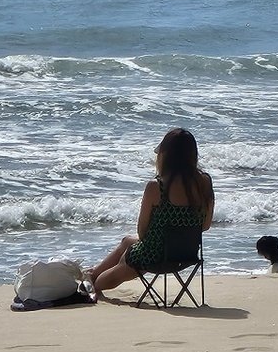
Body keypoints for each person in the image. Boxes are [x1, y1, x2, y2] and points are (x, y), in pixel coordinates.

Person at [87, 127, 215, 301]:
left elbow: (142, 232)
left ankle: (90, 280)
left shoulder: (157, 186)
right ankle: (90, 274)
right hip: (187, 254)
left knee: (98, 283)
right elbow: (205, 225)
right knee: (126, 241)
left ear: (165, 156)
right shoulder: (205, 182)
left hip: (153, 257)